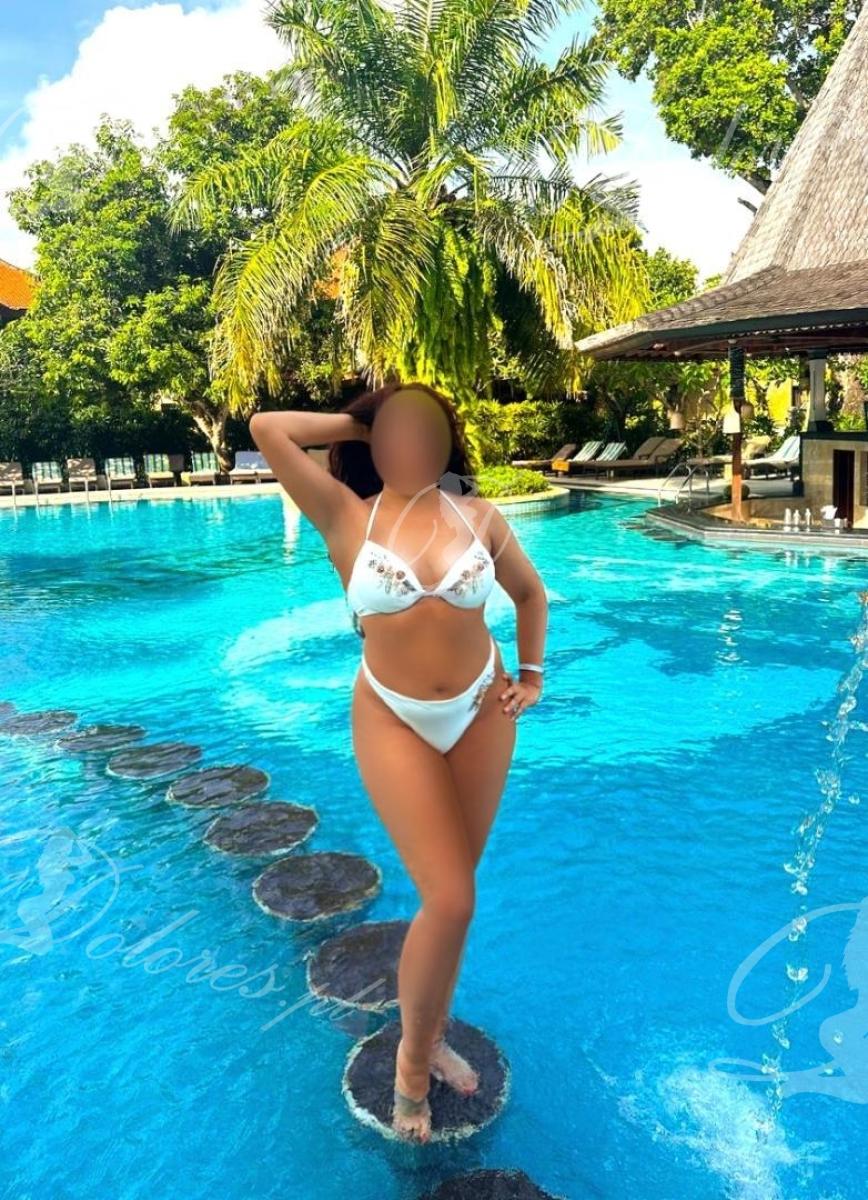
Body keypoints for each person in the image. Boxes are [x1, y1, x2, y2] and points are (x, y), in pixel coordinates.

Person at [250, 381, 548, 1142]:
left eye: (425, 431)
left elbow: (530, 595)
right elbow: (268, 427)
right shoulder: (345, 514)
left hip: (483, 711)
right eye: (396, 433)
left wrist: (532, 674)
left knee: (453, 903)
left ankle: (433, 1032)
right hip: (393, 716)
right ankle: (412, 1069)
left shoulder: (479, 516)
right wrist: (362, 423)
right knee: (451, 900)